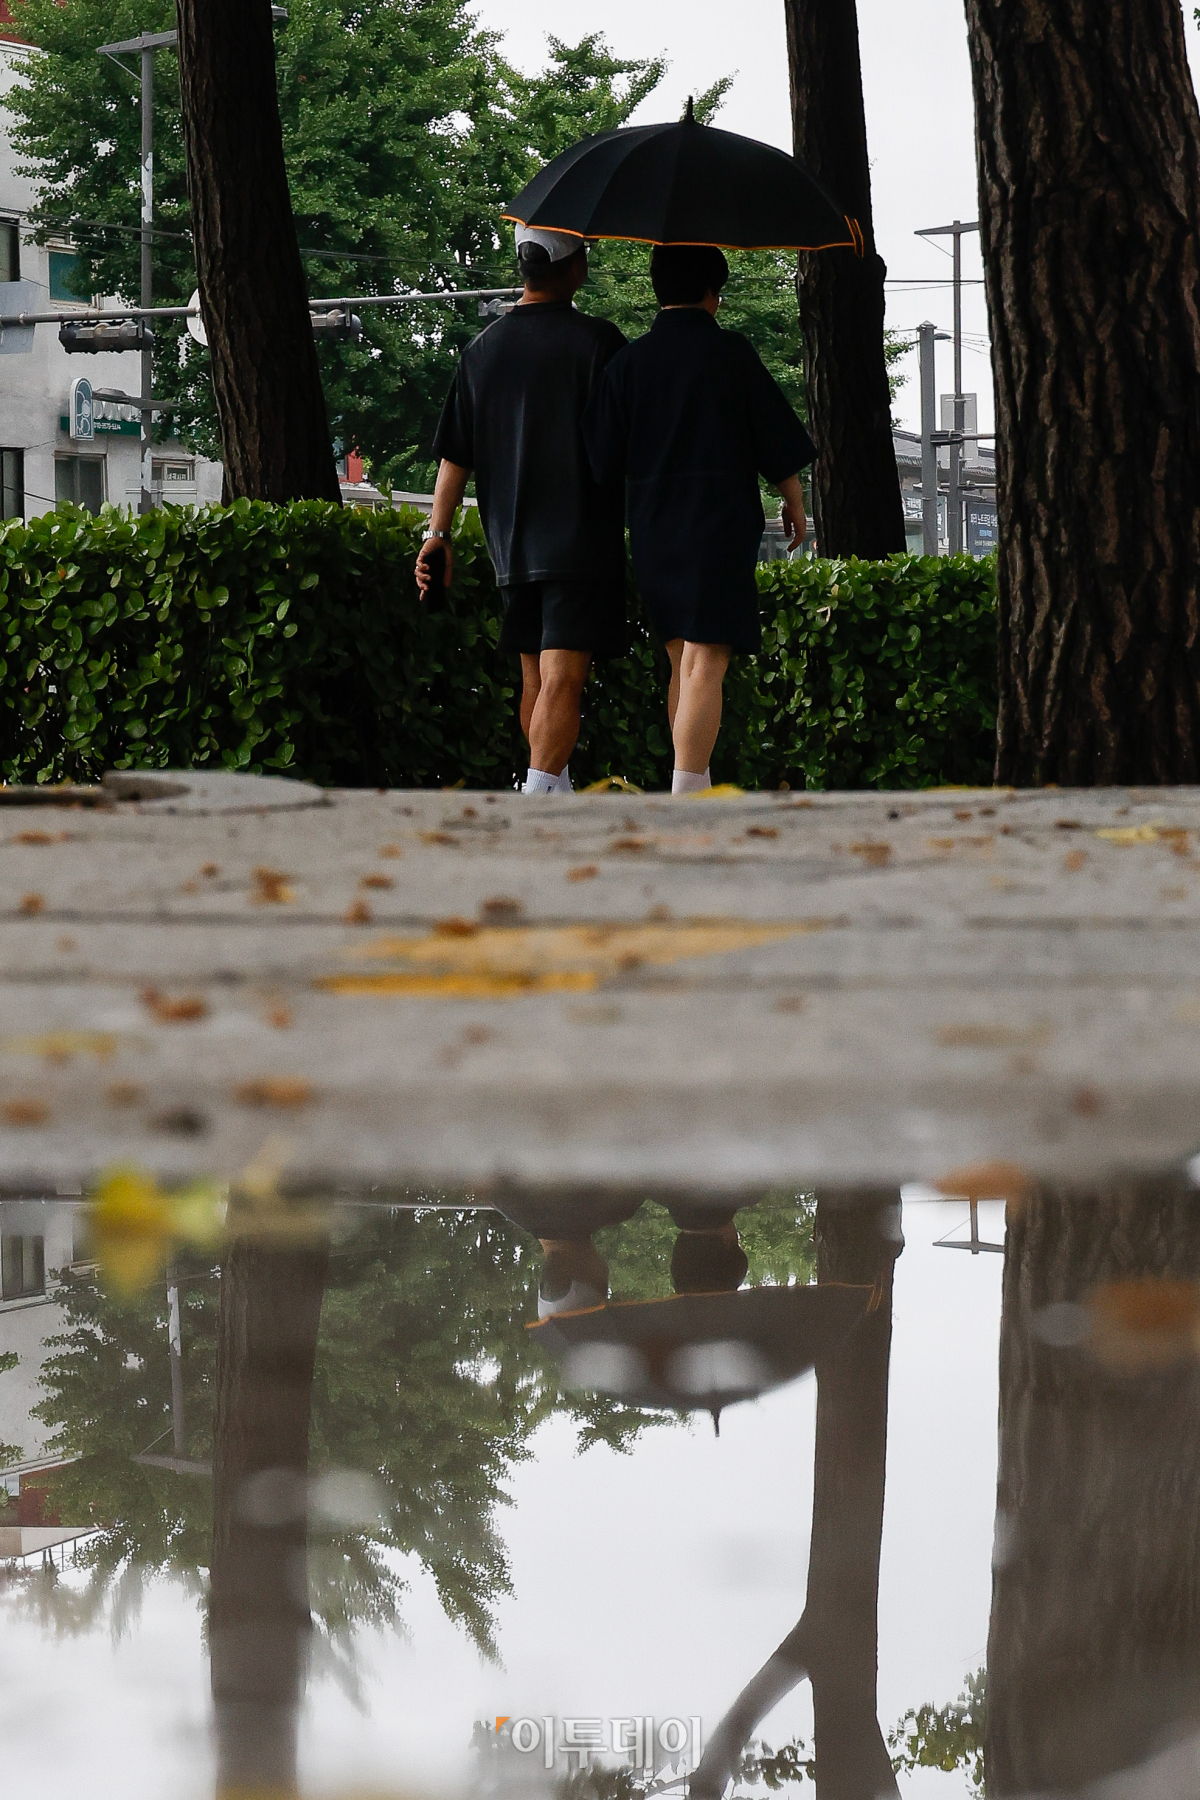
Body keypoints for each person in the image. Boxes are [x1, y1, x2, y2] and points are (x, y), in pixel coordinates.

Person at [584, 243, 815, 794]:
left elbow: (599, 458)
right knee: (708, 656)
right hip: (719, 521)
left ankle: (693, 783)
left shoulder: (628, 363)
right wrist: (794, 499)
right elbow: (773, 438)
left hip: (654, 525)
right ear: (715, 292)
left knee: (680, 658)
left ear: (657, 289)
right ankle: (687, 795)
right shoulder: (731, 353)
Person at [416, 226, 627, 795]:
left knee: (536, 676)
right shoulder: (599, 342)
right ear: (573, 268)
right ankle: (534, 799)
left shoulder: (481, 350)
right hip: (580, 538)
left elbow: (453, 461)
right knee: (565, 677)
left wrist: (437, 535)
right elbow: (625, 443)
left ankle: (548, 788)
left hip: (510, 542)